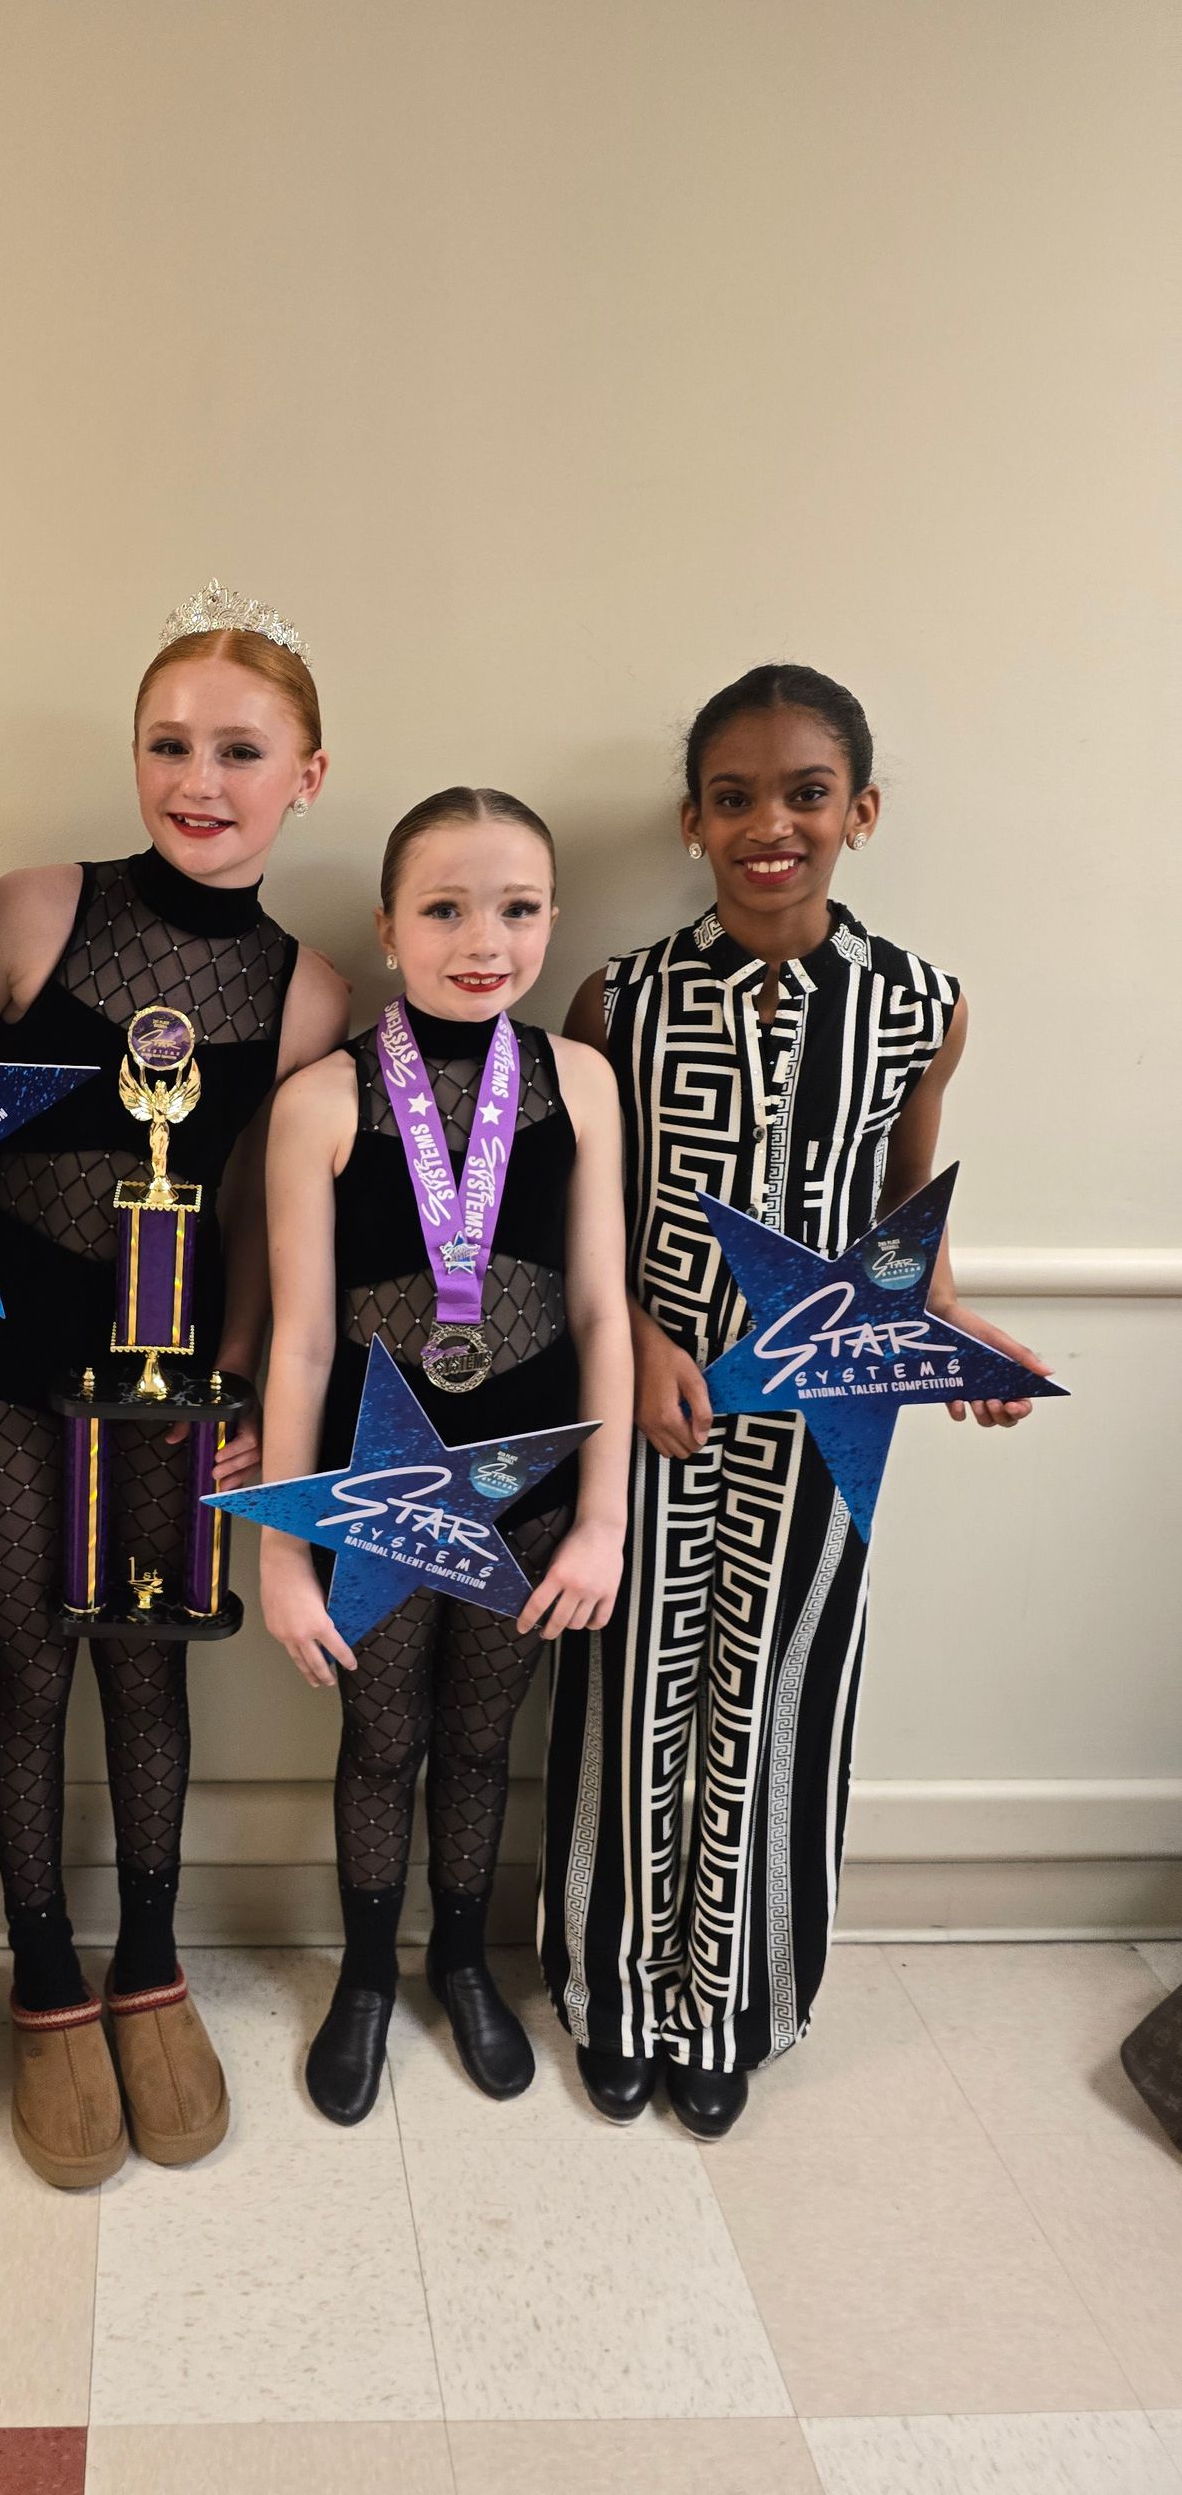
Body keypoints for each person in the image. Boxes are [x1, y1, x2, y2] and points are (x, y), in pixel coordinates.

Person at [542, 664, 1050, 2138]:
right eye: (736, 795)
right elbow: (584, 1211)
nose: (773, 823)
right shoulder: (618, 998)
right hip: (654, 1401)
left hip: (829, 1420)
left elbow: (911, 1208)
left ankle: (738, 2001)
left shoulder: (920, 1006)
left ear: (861, 811)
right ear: (690, 821)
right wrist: (635, 1334)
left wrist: (960, 1332)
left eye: (807, 793)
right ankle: (617, 1990)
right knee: (632, 1689)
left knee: (777, 1698)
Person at [0, 584, 348, 2186]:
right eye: (167, 743)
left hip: (171, 1393)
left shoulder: (315, 994)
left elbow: (264, 1205)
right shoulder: (36, 910)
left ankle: (151, 1965)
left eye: (239, 750)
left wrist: (244, 1368)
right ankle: (45, 1974)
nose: (200, 777)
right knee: (30, 1663)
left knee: (146, 1669)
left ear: (306, 776)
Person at [258, 788, 632, 2124]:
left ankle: (463, 1960)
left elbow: (600, 1312)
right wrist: (283, 1554)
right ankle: (366, 1974)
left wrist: (605, 1518)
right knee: (381, 1738)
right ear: (388, 924)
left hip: (531, 1498)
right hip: (371, 1501)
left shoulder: (582, 1084)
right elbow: (300, 1346)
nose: (486, 938)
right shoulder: (323, 1102)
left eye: (520, 908)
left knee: (482, 1741)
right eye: (446, 907)